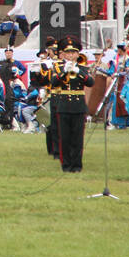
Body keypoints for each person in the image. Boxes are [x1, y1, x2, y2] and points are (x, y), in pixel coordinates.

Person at [32, 37, 93, 172]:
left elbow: (90, 82)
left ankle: (77, 165)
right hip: (63, 104)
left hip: (78, 105)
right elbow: (54, 82)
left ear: (77, 54)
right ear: (64, 54)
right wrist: (64, 71)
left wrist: (78, 72)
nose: (71, 55)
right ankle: (66, 165)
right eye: (68, 53)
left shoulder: (82, 67)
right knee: (64, 137)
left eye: (73, 53)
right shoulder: (58, 67)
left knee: (77, 138)